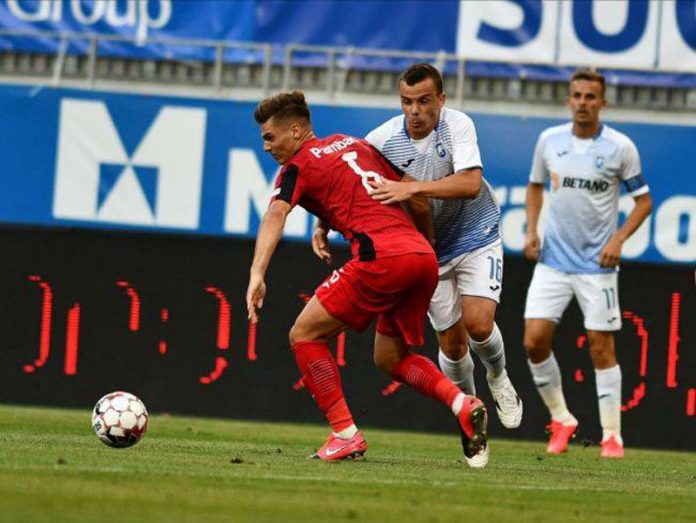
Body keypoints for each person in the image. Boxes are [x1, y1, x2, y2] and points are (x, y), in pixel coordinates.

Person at [246, 91, 489, 465]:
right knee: (390, 357)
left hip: (381, 258)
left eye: (269, 137)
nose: (265, 146)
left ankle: (344, 434)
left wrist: (257, 273)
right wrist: (424, 246)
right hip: (421, 257)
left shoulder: (296, 166)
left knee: (304, 334)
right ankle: (462, 403)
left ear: (294, 131)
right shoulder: (355, 145)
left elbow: (275, 214)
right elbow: (416, 198)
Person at [363, 63, 522, 466]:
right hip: (428, 251)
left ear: (441, 99)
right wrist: (322, 223)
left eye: (424, 101)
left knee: (479, 325)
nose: (415, 111)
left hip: (475, 234)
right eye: (406, 102)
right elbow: (353, 178)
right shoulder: (380, 141)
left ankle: (499, 376)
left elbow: (470, 184)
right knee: (451, 344)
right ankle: (471, 422)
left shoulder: (458, 126)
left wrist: (413, 187)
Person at [523, 69, 652, 458]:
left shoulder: (621, 148)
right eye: (577, 95)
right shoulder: (549, 141)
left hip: (597, 266)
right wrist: (531, 230)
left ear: (602, 102)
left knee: (600, 347)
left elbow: (644, 203)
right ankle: (561, 418)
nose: (582, 102)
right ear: (568, 100)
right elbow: (535, 186)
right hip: (552, 263)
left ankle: (612, 435)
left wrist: (618, 239)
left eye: (590, 97)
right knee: (533, 341)